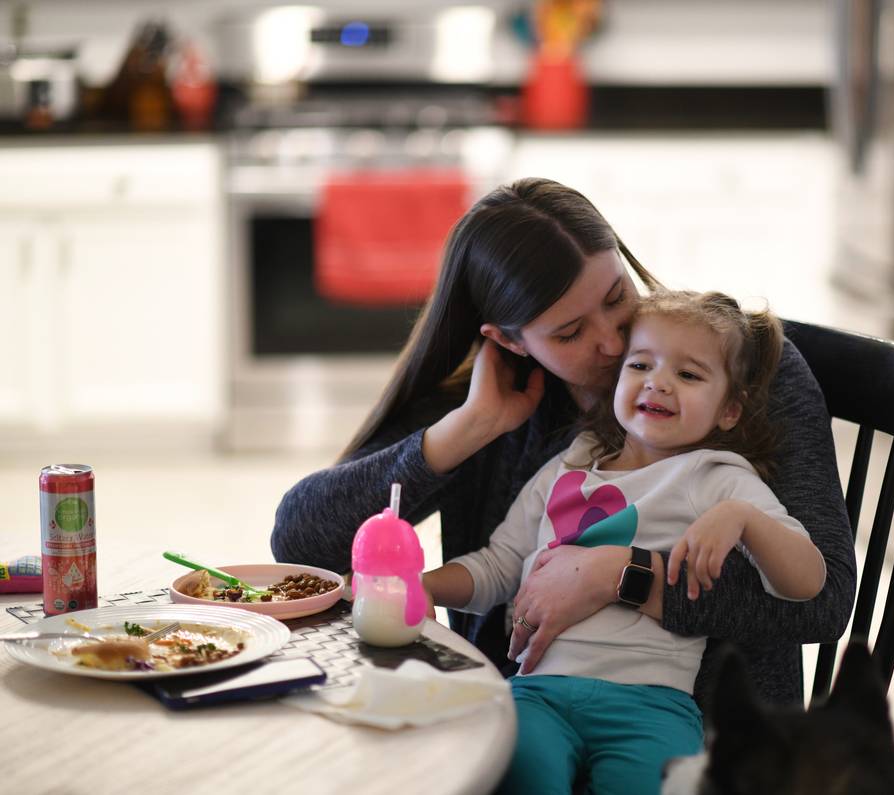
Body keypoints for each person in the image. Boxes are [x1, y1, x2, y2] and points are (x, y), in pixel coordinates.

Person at [270, 177, 854, 712]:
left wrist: (620, 575)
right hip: (524, 712)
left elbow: (823, 605)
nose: (611, 343)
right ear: (509, 341)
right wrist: (468, 428)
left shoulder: (741, 365)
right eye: (570, 332)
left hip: (710, 734)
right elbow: (302, 539)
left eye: (616, 297)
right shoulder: (497, 400)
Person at [421, 290, 828, 794]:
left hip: (653, 706)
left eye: (689, 374)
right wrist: (421, 589)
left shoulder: (719, 480)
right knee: (516, 776)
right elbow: (498, 566)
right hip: (537, 693)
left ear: (728, 411)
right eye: (641, 364)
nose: (658, 382)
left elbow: (809, 584)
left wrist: (743, 519)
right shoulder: (569, 466)